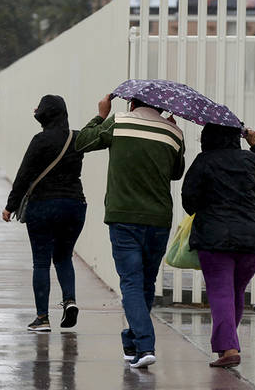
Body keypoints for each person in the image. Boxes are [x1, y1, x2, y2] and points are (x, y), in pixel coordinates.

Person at [75, 94, 185, 368]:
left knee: (132, 282)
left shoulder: (119, 122)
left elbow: (82, 142)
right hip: (159, 219)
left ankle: (146, 345)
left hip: (124, 217)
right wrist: (174, 134)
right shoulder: (172, 132)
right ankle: (132, 343)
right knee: (146, 282)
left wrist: (101, 114)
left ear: (132, 104)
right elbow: (176, 172)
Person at [182, 124, 255, 368]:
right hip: (252, 240)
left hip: (215, 241)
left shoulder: (203, 161)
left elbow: (189, 201)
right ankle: (228, 345)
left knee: (221, 293)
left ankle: (229, 349)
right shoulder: (250, 160)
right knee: (234, 292)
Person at [2, 94, 86, 333]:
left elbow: (24, 175)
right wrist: (101, 116)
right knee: (63, 256)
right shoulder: (76, 139)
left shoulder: (40, 141)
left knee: (41, 262)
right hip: (74, 205)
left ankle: (42, 318)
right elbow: (98, 136)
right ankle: (69, 300)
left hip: (43, 207)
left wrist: (10, 205)